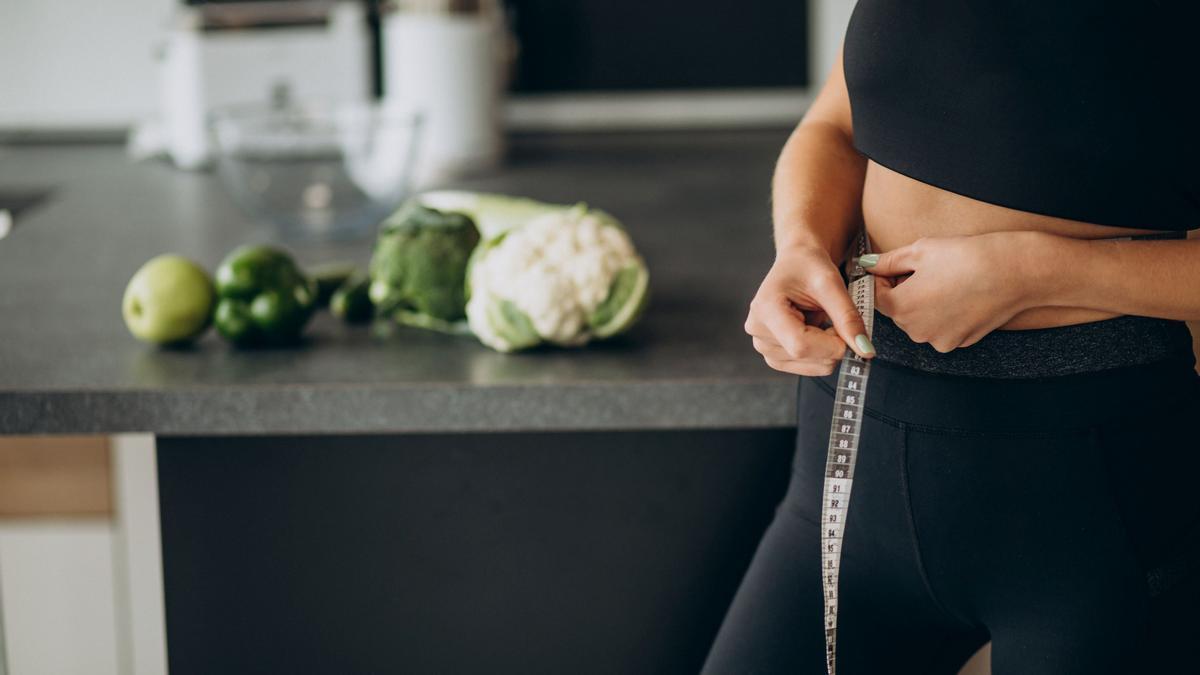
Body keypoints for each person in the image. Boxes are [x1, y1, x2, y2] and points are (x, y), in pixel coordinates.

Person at [702, 2, 1200, 674]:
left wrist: (1036, 271)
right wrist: (801, 245)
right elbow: (839, 124)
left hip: (1089, 491)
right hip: (851, 449)